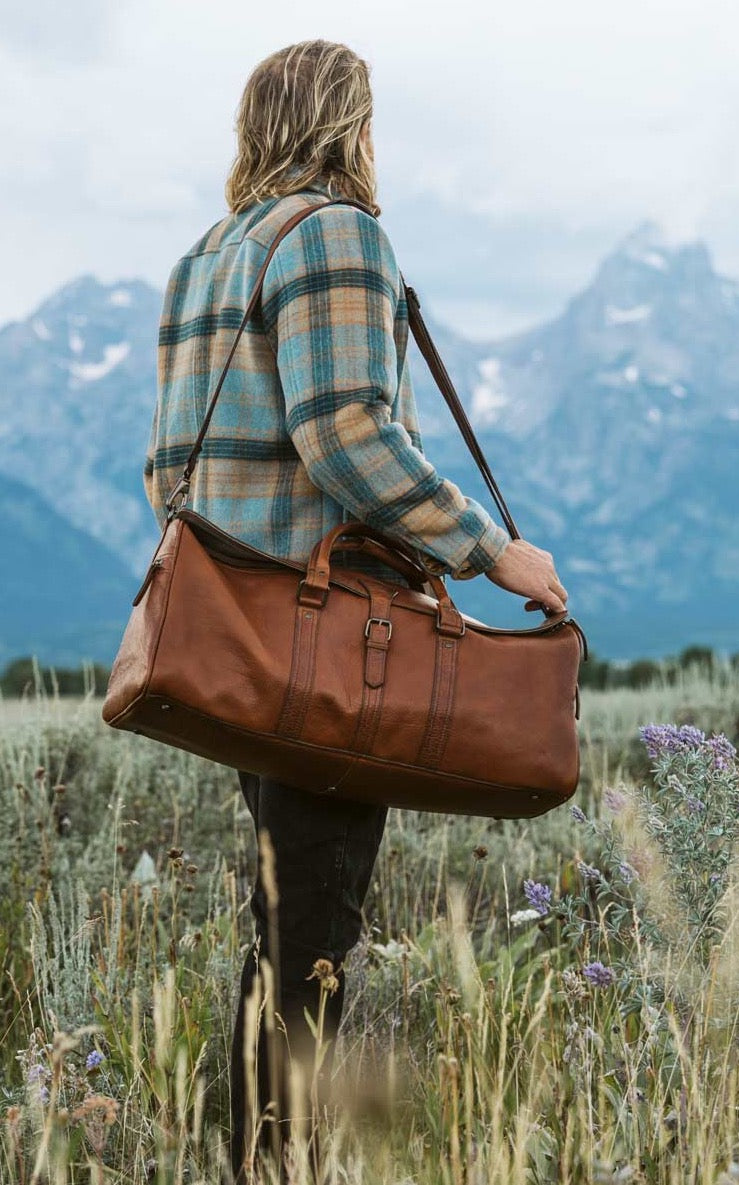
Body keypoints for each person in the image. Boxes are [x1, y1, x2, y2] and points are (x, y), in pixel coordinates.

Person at [141, 39, 568, 1183]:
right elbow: (346, 437)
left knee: (288, 927)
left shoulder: (205, 256)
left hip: (236, 636)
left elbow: (166, 471)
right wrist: (490, 553)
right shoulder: (334, 233)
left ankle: (262, 1160)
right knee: (313, 942)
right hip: (322, 644)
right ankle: (277, 1167)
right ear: (352, 125)